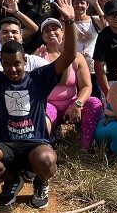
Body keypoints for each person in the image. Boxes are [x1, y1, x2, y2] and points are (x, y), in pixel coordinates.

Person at [0, 0, 76, 208]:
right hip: (6, 144)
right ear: (1, 63)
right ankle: (12, 180)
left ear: (25, 61)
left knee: (47, 160)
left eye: (17, 64)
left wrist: (69, 23)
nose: (12, 69)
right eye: (7, 64)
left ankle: (41, 182)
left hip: (35, 143)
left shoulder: (40, 77)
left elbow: (68, 57)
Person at [35, 18, 103, 149]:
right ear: (43, 36)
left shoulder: (77, 57)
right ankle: (47, 145)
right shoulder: (38, 57)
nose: (51, 32)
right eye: (47, 30)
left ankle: (85, 146)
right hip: (49, 104)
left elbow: (87, 86)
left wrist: (78, 104)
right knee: (41, 115)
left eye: (55, 29)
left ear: (62, 32)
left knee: (95, 103)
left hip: (71, 103)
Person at [71, 0, 107, 99]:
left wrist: (96, 4)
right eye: (76, 3)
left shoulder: (94, 20)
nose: (79, 6)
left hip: (93, 67)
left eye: (82, 3)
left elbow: (107, 26)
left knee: (95, 97)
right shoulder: (68, 22)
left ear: (87, 5)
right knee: (76, 96)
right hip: (75, 67)